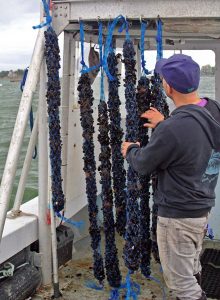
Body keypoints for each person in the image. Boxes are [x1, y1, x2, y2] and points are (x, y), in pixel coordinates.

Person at [121, 54, 220, 300]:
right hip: (201, 208)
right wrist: (165, 124)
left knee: (181, 285)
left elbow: (143, 164)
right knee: (192, 266)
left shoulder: (173, 129)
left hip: (177, 217)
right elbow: (191, 135)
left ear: (168, 86)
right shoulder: (213, 109)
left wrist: (130, 150)